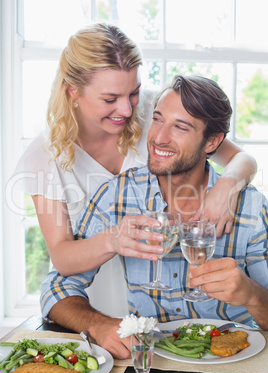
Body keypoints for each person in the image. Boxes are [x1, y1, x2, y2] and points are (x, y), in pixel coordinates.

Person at [11, 23, 257, 316]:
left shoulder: (157, 113)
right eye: (110, 99)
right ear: (73, 91)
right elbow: (62, 257)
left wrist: (226, 188)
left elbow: (242, 159)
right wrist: (113, 239)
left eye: (134, 92)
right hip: (97, 301)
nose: (127, 110)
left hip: (162, 300)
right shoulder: (46, 154)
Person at [40, 75, 268, 360]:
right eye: (158, 120)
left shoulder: (250, 207)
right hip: (150, 361)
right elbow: (57, 285)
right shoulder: (118, 195)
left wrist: (252, 296)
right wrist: (98, 324)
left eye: (180, 127)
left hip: (237, 364)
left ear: (212, 142)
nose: (159, 137)